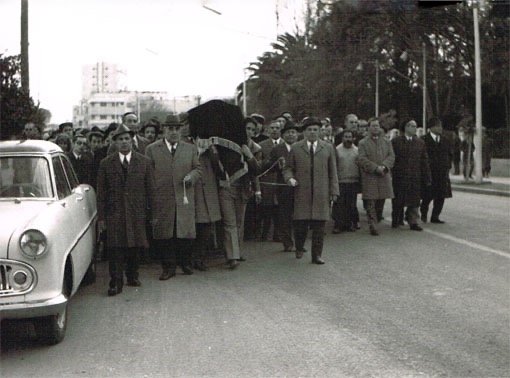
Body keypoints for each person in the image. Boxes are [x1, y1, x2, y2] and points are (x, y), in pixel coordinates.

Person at [96, 124, 155, 296]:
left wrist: (151, 214)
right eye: (120, 139)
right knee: (115, 248)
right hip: (115, 212)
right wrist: (101, 217)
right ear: (115, 142)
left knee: (135, 245)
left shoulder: (144, 162)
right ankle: (115, 282)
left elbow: (150, 189)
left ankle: (132, 275)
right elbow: (101, 193)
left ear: (132, 141)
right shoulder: (106, 164)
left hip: (136, 211)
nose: (124, 143)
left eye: (127, 139)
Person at [145, 114, 202, 280]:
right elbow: (148, 174)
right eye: (170, 129)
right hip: (162, 198)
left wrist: (191, 176)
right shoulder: (152, 149)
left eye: (177, 128)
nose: (174, 132)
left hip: (184, 197)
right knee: (165, 235)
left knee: (183, 233)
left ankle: (184, 263)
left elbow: (198, 169)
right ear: (164, 130)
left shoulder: (190, 148)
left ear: (181, 130)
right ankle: (168, 268)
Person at [283, 116, 339, 264]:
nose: (313, 132)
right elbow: (288, 168)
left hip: (321, 194)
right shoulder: (296, 148)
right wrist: (290, 178)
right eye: (309, 130)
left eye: (315, 130)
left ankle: (317, 256)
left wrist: (334, 191)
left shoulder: (327, 147)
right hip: (302, 193)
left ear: (320, 131)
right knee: (301, 225)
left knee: (319, 227)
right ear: (304, 132)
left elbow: (333, 172)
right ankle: (299, 246)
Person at [391, 119, 431, 231]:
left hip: (415, 175)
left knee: (414, 200)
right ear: (406, 127)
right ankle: (396, 219)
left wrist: (427, 176)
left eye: (415, 126)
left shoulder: (420, 143)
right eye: (412, 126)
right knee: (398, 199)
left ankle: (413, 221)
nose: (415, 128)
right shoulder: (396, 141)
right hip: (400, 176)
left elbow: (424, 160)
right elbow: (392, 158)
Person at [358, 117, 395, 236]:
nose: (375, 128)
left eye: (377, 126)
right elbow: (362, 159)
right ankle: (372, 224)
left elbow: (391, 156)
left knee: (381, 200)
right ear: (368, 128)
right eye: (373, 126)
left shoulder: (386, 142)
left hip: (383, 175)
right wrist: (375, 168)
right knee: (371, 201)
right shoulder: (363, 143)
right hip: (370, 176)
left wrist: (384, 166)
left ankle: (377, 219)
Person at [268, 119, 299, 251]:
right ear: (283, 134)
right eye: (288, 132)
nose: (291, 135)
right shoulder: (277, 149)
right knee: (285, 216)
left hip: (300, 187)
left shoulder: (301, 147)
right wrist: (276, 165)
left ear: (297, 135)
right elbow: (271, 167)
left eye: (293, 132)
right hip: (283, 188)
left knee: (299, 217)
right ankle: (287, 243)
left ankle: (299, 243)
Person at [193, 142, 222, 271]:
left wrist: (211, 150)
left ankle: (200, 258)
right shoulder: (187, 146)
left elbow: (219, 168)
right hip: (194, 192)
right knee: (194, 227)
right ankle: (191, 258)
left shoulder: (212, 149)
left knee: (206, 227)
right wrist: (198, 152)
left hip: (209, 191)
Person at [420, 117, 453, 224]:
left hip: (442, 173)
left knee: (441, 196)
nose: (440, 128)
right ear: (431, 127)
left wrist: (448, 165)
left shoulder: (445, 140)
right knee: (427, 196)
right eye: (437, 126)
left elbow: (450, 154)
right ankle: (423, 214)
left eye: (441, 126)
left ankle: (435, 216)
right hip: (429, 173)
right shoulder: (423, 140)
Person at [258, 120, 284, 242]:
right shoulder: (262, 145)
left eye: (277, 128)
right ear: (268, 130)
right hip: (267, 179)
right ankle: (265, 232)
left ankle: (277, 233)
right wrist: (268, 163)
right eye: (272, 128)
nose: (274, 130)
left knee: (279, 208)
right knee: (267, 208)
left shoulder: (285, 144)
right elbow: (258, 163)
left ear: (280, 130)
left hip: (281, 180)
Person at [332, 129, 360, 233]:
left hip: (353, 181)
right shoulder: (336, 150)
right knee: (339, 204)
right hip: (340, 181)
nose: (348, 139)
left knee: (351, 204)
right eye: (346, 137)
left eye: (350, 137)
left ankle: (349, 224)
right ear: (342, 138)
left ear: (353, 138)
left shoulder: (357, 151)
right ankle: (338, 225)